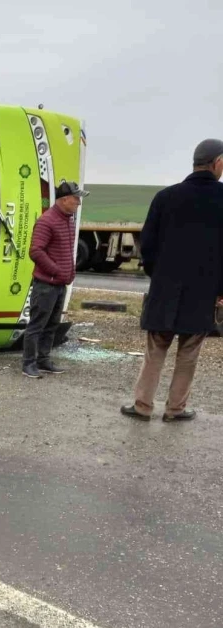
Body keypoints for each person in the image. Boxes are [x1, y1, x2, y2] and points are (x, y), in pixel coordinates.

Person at [121, 138, 223, 422]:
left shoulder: (165, 197)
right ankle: (175, 410)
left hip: (166, 288)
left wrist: (159, 276)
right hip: (203, 293)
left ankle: (142, 406)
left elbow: (148, 245)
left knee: (156, 350)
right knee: (189, 354)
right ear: (217, 163)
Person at [22, 180, 89, 378]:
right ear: (64, 199)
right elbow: (35, 251)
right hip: (46, 285)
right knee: (37, 325)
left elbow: (65, 251)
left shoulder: (67, 220)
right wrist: (56, 270)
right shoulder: (47, 221)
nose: (78, 202)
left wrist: (70, 272)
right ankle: (28, 364)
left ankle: (43, 360)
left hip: (60, 284)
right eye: (76, 198)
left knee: (52, 325)